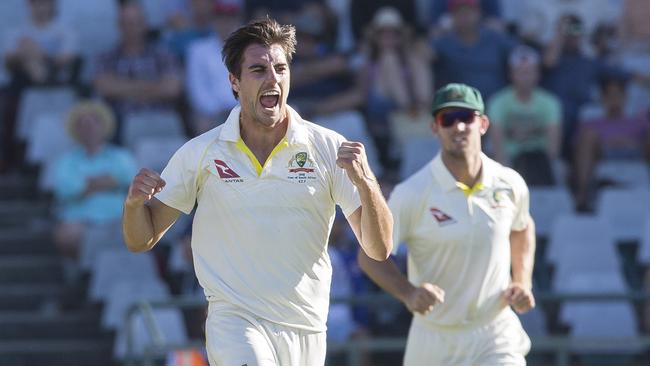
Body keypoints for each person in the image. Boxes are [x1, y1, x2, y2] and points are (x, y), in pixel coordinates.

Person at [122, 18, 392, 366]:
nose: (273, 78)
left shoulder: (328, 147)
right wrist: (133, 205)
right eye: (258, 70)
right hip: (235, 322)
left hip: (306, 327)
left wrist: (367, 184)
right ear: (234, 82)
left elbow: (379, 247)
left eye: (280, 68)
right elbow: (140, 240)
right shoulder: (201, 152)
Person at [359, 83, 536, 365]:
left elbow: (522, 227)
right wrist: (408, 293)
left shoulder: (510, 183)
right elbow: (370, 254)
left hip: (495, 331)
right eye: (448, 119)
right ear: (435, 128)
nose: (459, 127)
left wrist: (522, 281)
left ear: (483, 123)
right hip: (433, 337)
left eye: (466, 117)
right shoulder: (412, 192)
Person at [53, 100, 136, 260]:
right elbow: (67, 189)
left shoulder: (121, 155)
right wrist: (108, 181)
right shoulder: (66, 160)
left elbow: (129, 179)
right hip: (80, 220)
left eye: (94, 122)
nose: (89, 128)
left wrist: (89, 184)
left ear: (104, 126)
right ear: (76, 130)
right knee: (67, 235)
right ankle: (81, 273)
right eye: (83, 124)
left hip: (118, 218)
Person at [488, 45, 562, 186]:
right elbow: (497, 146)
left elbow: (553, 149)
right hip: (509, 160)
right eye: (520, 72)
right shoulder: (497, 102)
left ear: (538, 74)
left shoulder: (551, 103)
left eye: (529, 72)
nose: (525, 77)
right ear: (511, 74)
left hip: (541, 161)